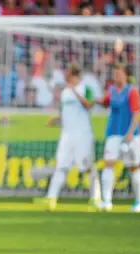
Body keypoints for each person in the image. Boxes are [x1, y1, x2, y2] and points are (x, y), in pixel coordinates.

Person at [39, 63, 100, 211]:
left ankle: (96, 198)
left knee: (87, 167)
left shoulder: (86, 89)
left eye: (68, 73)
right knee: (61, 167)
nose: (65, 75)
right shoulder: (65, 92)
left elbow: (88, 105)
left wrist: (75, 92)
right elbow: (65, 114)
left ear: (74, 75)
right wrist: (56, 119)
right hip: (66, 136)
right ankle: (51, 199)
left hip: (83, 135)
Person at [95, 64, 140, 213]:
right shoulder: (111, 90)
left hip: (130, 135)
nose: (116, 76)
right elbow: (106, 103)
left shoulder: (132, 91)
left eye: (118, 73)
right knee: (108, 164)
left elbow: (136, 113)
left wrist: (130, 133)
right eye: (114, 73)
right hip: (113, 133)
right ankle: (106, 201)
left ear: (125, 75)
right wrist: (93, 99)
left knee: (134, 166)